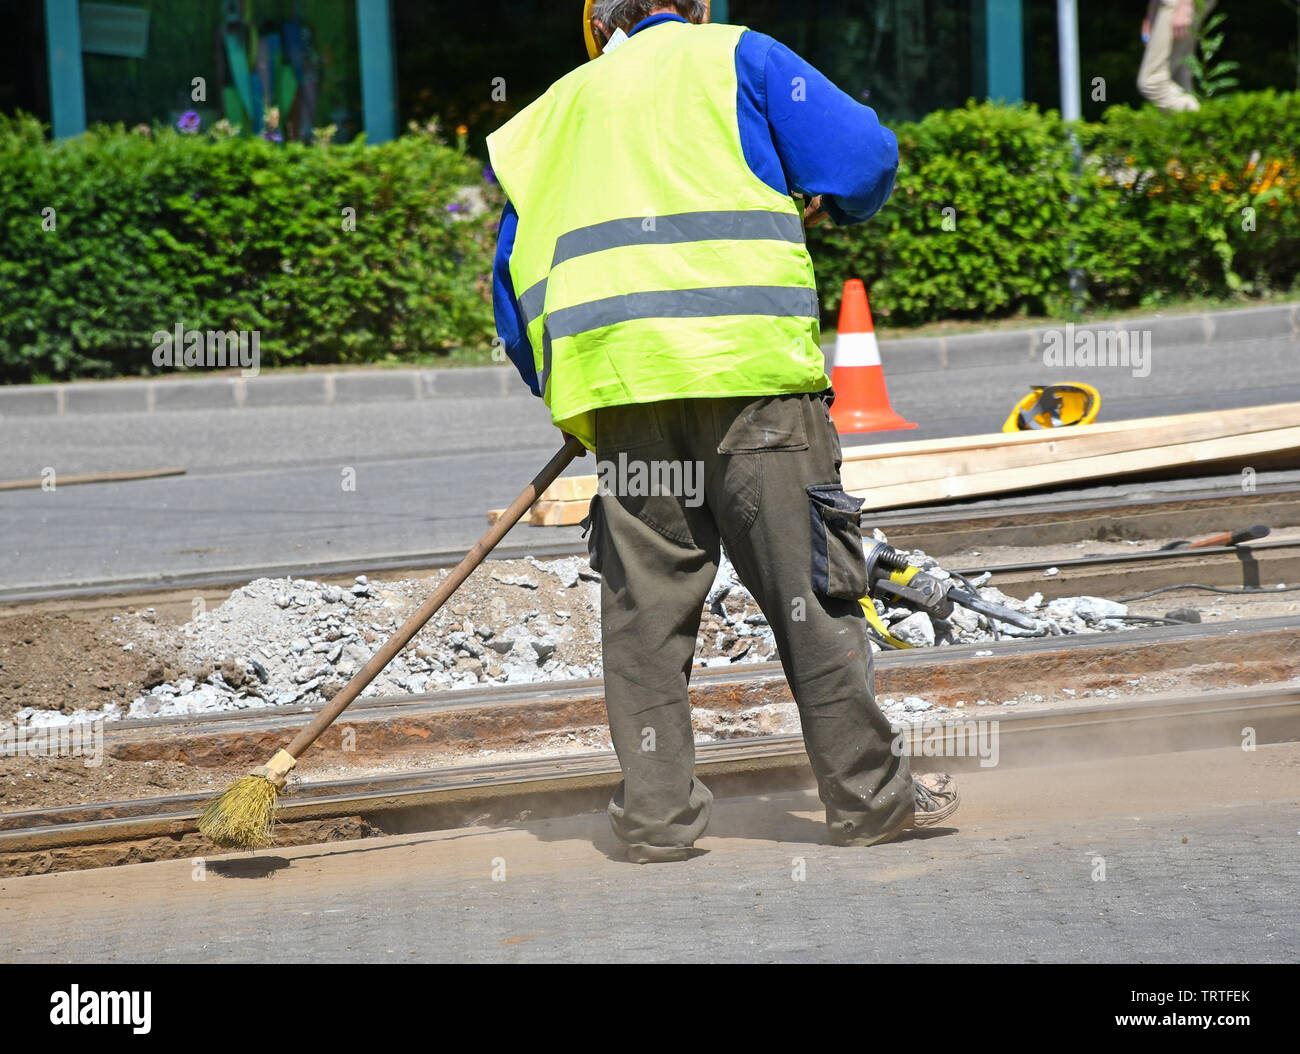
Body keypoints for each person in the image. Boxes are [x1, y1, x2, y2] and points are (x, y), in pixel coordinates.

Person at [486, 1, 959, 863]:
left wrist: (577, 400)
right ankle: (868, 801)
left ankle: (658, 821)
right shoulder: (738, 57)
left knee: (645, 617)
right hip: (757, 393)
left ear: (598, 26)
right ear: (695, 6)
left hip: (628, 404)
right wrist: (813, 192)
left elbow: (513, 298)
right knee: (811, 596)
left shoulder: (551, 115)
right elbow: (863, 159)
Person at [1138, 0, 1216, 111]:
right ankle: (1189, 125)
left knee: (1152, 82)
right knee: (1179, 78)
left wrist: (1185, 5)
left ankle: (1201, 120)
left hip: (1178, 4)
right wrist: (1152, 13)